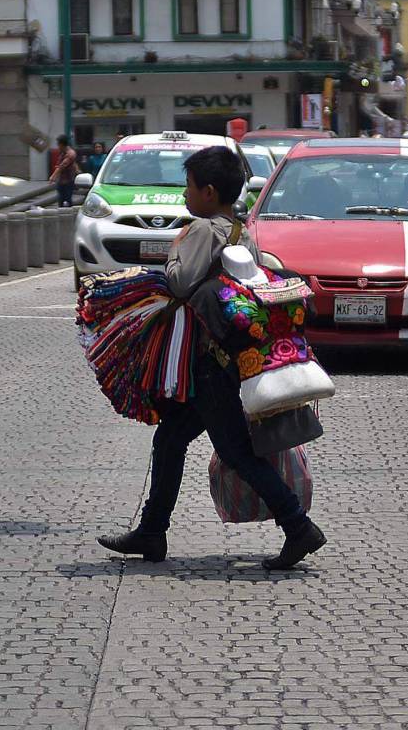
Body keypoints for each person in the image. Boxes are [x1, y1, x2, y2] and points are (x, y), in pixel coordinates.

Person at [97, 146, 326, 571]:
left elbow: (180, 283)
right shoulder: (242, 232)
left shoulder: (202, 230)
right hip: (224, 360)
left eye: (188, 186)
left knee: (236, 451)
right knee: (170, 439)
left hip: (209, 364)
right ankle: (152, 531)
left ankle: (298, 526)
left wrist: (176, 249)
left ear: (207, 191)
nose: (184, 194)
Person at [50, 134, 78, 207]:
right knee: (60, 200)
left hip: (68, 182)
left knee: (68, 200)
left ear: (62, 144)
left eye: (58, 144)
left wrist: (53, 176)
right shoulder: (62, 153)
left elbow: (62, 166)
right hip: (61, 181)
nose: (58, 146)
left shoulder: (70, 154)